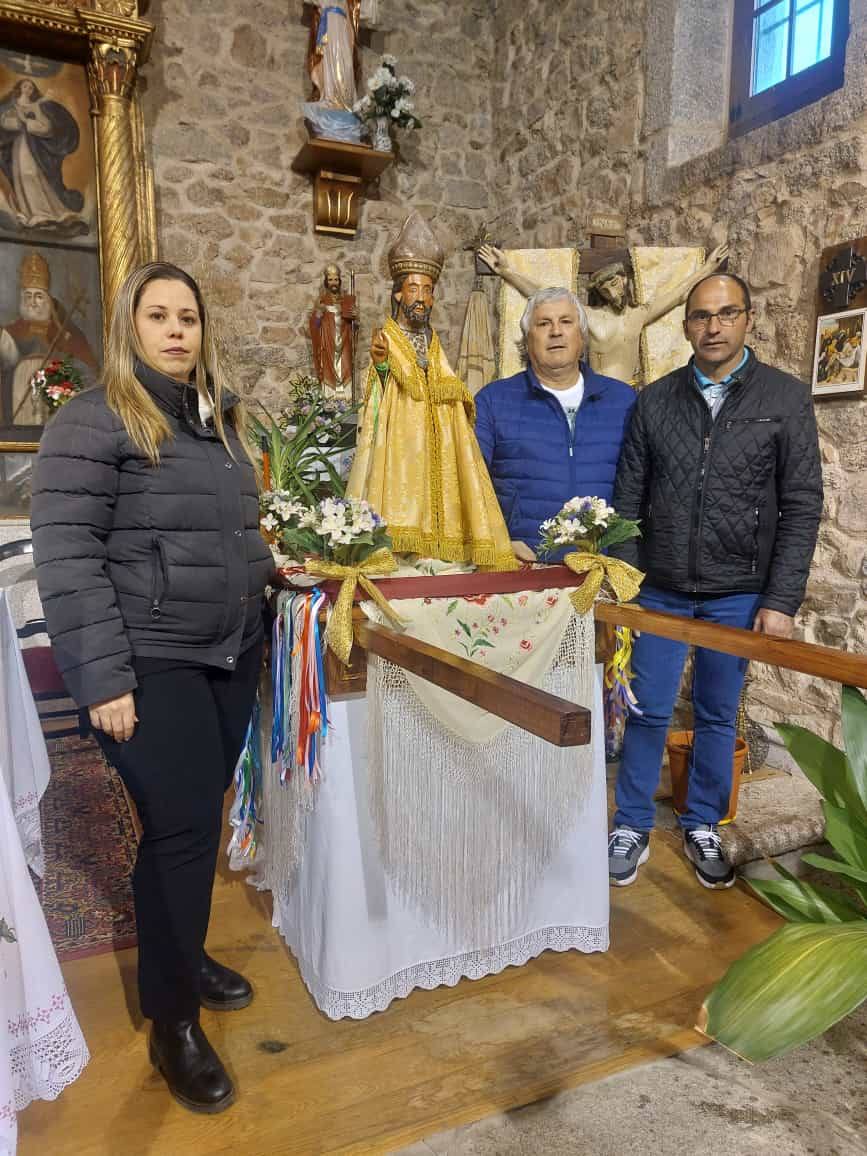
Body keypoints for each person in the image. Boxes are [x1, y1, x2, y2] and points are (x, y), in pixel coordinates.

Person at [31, 261, 274, 1114]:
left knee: (189, 830)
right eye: (158, 315)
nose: (177, 330)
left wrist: (276, 572)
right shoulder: (90, 422)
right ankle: (172, 1020)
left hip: (228, 652)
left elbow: (231, 535)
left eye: (189, 317)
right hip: (149, 661)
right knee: (177, 832)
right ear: (128, 329)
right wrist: (103, 678)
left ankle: (185, 955)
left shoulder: (218, 426)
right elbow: (67, 562)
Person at [608, 272, 823, 890]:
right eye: (701, 316)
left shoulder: (784, 398)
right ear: (686, 327)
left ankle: (702, 819)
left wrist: (780, 599)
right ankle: (631, 823)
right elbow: (627, 500)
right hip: (660, 588)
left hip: (738, 592)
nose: (713, 326)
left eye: (726, 314)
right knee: (645, 709)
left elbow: (803, 503)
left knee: (717, 712)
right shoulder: (654, 402)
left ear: (747, 320)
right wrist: (626, 579)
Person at [347, 210, 517, 570]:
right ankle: (400, 549)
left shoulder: (433, 341)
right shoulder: (386, 338)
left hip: (437, 443)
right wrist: (380, 367)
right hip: (401, 445)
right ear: (398, 294)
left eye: (428, 289)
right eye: (414, 288)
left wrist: (457, 402)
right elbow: (374, 398)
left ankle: (439, 547)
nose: (421, 297)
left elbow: (445, 384)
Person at [475, 287, 635, 562]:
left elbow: (644, 488)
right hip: (524, 569)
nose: (556, 332)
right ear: (527, 340)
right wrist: (497, 544)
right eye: (544, 323)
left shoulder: (623, 401)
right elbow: (470, 484)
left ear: (581, 337)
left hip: (603, 567)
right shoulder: (493, 401)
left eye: (566, 321)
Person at [478, 242, 729, 385]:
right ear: (601, 291)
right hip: (596, 393)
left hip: (632, 393)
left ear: (626, 282)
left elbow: (679, 294)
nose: (615, 289)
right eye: (608, 286)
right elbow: (545, 294)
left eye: (618, 282)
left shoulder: (638, 315)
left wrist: (707, 267)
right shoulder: (589, 316)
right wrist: (507, 271)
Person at [0, 249, 98, 426]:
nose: (33, 302)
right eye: (28, 296)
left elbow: (90, 371)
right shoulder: (10, 332)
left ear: (48, 300)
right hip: (19, 403)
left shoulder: (67, 333)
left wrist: (64, 369)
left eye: (38, 296)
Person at [0, 78, 86, 230]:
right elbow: (5, 123)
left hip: (34, 149)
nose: (28, 89)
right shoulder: (12, 107)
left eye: (31, 88)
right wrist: (19, 121)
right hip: (19, 146)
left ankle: (43, 212)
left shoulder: (37, 106)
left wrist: (28, 122)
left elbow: (46, 128)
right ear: (19, 88)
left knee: (34, 174)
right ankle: (28, 212)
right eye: (25, 86)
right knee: (22, 176)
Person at [309, 262, 356, 399]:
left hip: (344, 343)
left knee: (346, 367)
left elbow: (354, 326)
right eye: (330, 280)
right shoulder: (322, 301)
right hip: (328, 344)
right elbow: (314, 326)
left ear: (339, 281)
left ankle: (346, 399)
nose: (333, 283)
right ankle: (330, 399)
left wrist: (355, 317)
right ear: (326, 282)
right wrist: (318, 314)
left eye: (336, 279)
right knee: (329, 369)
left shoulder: (346, 301)